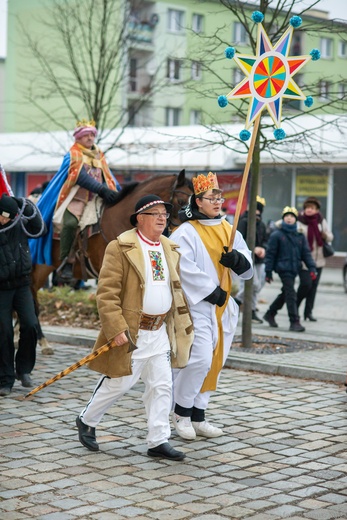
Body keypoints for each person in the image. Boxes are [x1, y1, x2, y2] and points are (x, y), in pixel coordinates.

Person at [76, 194, 193, 460]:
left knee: (162, 386)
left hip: (160, 331)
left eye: (165, 213)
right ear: (140, 218)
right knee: (120, 384)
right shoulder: (120, 247)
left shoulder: (169, 248)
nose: (163, 218)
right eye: (156, 214)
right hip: (133, 331)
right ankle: (87, 419)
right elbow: (106, 294)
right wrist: (116, 328)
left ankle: (158, 440)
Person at [170, 172, 253, 440]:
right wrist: (210, 291)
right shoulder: (186, 232)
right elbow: (183, 267)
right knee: (200, 359)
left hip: (224, 308)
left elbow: (247, 267)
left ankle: (198, 415)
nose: (218, 201)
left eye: (220, 197)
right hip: (198, 307)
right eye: (212, 197)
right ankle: (180, 413)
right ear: (198, 201)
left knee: (216, 361)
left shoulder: (230, 229)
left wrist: (239, 261)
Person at [30, 119, 120, 278]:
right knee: (71, 223)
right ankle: (67, 260)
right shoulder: (73, 154)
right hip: (76, 199)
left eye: (92, 134)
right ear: (78, 137)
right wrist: (102, 190)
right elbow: (79, 176)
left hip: (98, 199)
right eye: (86, 135)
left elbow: (107, 175)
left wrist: (116, 191)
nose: (90, 138)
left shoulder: (98, 153)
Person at [0, 194, 45, 396]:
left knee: (30, 324)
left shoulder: (18, 223)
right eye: (2, 216)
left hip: (22, 284)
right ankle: (5, 378)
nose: (5, 221)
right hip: (2, 287)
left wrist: (26, 208)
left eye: (9, 217)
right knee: (4, 332)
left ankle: (24, 369)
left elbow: (39, 229)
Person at [263, 206, 317, 332]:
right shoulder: (277, 235)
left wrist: (312, 268)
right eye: (286, 216)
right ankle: (294, 321)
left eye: (292, 216)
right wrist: (268, 272)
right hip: (283, 269)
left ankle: (270, 313)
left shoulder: (299, 235)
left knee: (286, 293)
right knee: (291, 294)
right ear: (283, 218)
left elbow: (306, 253)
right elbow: (270, 254)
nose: (289, 218)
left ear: (295, 219)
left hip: (295, 268)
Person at [296, 196, 334, 321]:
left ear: (317, 210)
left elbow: (330, 236)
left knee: (313, 288)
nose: (309, 210)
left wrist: (324, 235)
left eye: (312, 208)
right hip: (304, 261)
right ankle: (295, 307)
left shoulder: (321, 221)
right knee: (306, 285)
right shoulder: (299, 220)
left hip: (319, 260)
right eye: (307, 208)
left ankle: (308, 312)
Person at [234, 195, 267, 323]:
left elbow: (265, 240)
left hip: (258, 260)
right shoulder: (244, 222)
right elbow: (240, 242)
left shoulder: (262, 224)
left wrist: (263, 248)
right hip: (247, 260)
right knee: (252, 285)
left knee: (256, 287)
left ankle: (251, 310)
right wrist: (254, 249)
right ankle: (237, 302)